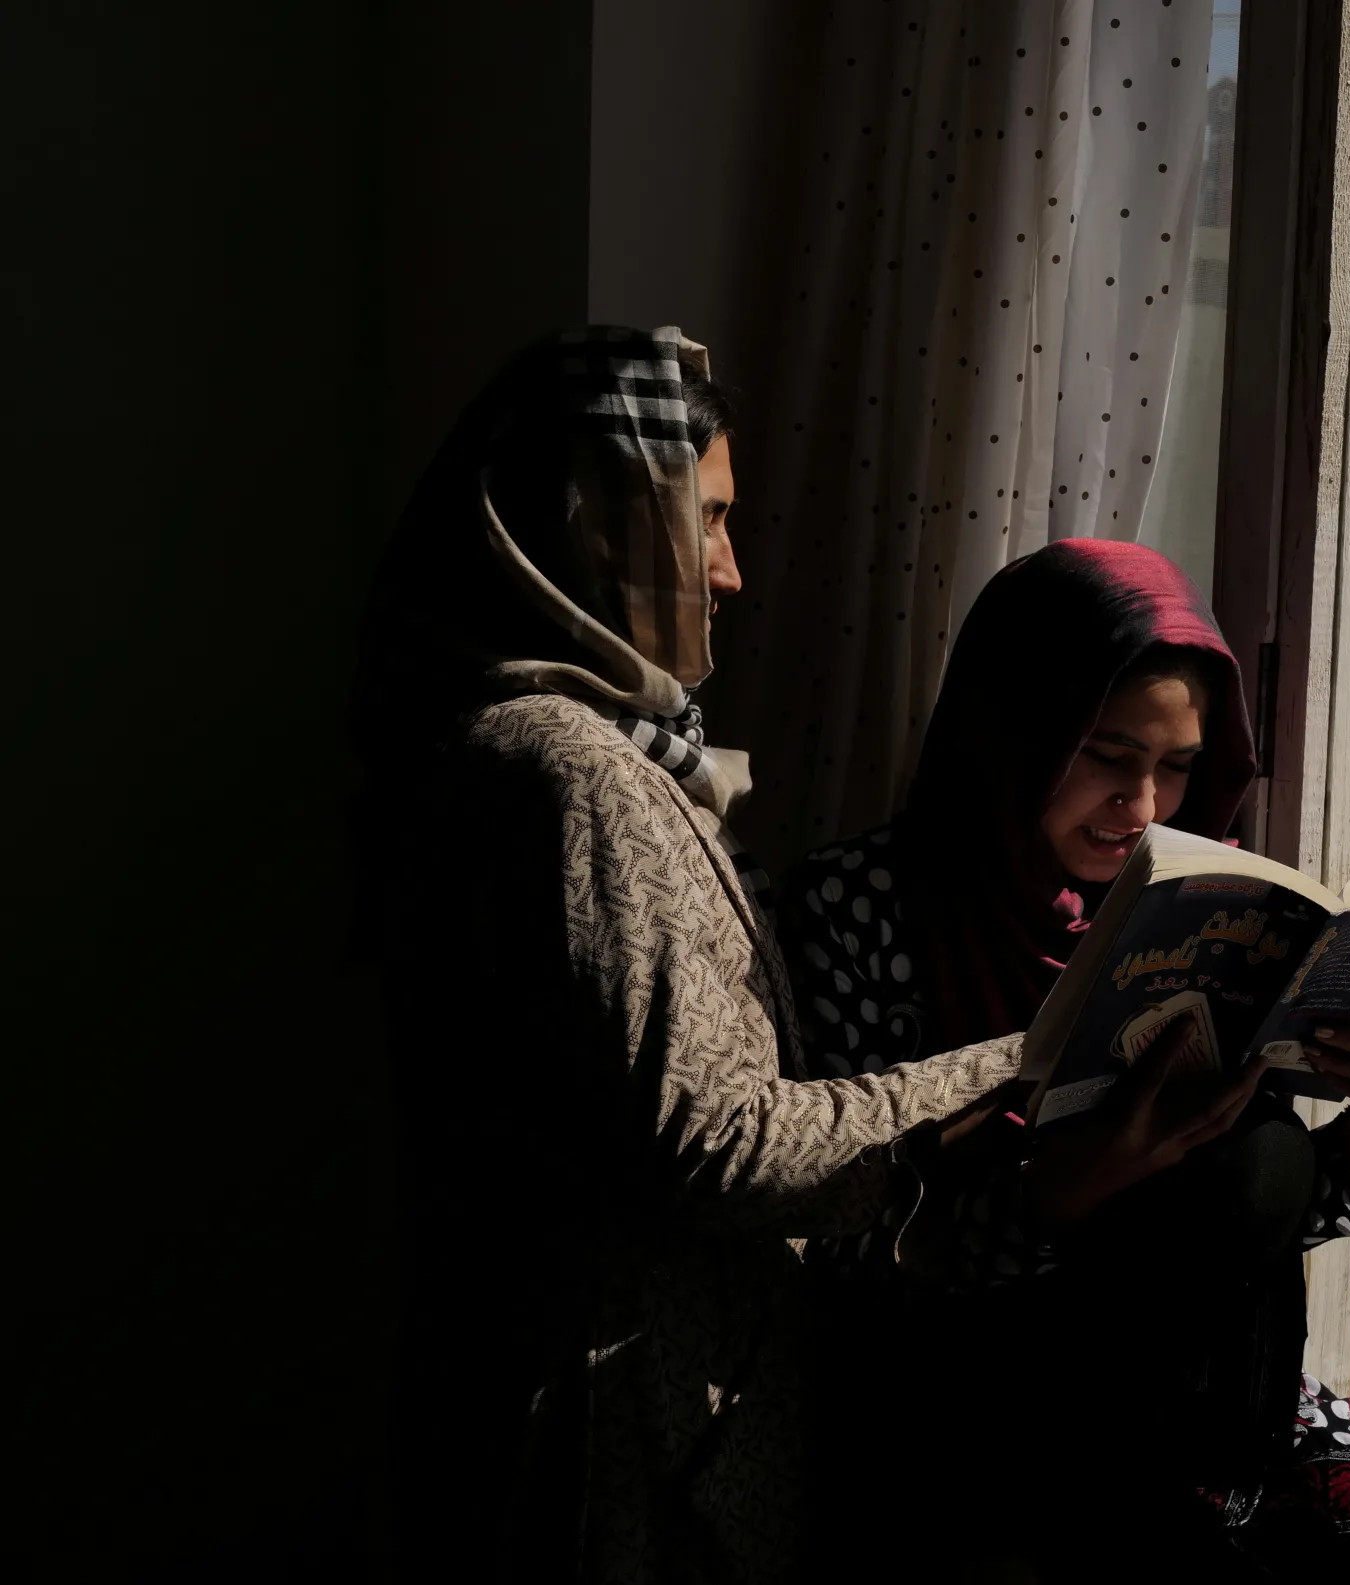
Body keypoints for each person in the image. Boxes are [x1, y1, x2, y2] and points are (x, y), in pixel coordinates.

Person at [354, 326, 1028, 1583]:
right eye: (705, 520)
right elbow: (722, 1143)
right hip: (626, 1443)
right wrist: (1025, 1063)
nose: (731, 572)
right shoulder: (573, 774)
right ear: (597, 531)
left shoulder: (509, 731)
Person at [781, 539, 1350, 1584]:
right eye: (1108, 755)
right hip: (969, 1416)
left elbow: (1232, 1210)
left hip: (1208, 1409)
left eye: (1180, 766)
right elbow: (831, 1253)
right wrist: (1056, 1196)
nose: (1145, 805)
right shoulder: (856, 910)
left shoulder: (1202, 906)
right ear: (1011, 732)